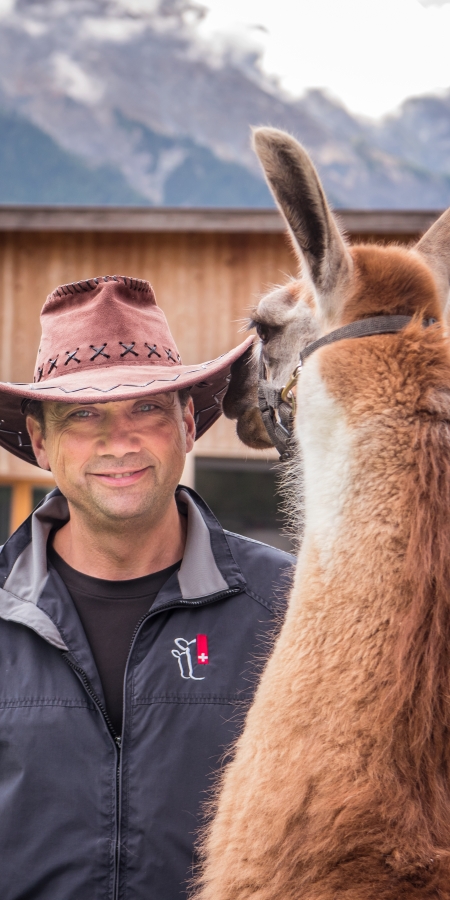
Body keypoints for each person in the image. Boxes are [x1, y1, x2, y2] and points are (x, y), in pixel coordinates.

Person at [0, 274, 293, 900]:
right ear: (40, 440)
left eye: (148, 407)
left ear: (188, 424)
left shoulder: (291, 611)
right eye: (83, 415)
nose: (120, 441)